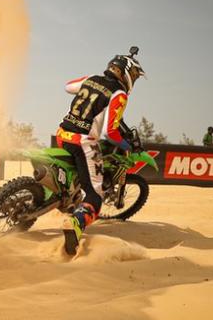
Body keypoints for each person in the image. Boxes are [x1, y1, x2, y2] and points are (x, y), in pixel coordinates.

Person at [56, 47, 146, 256]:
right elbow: (111, 132)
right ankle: (77, 222)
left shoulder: (91, 79)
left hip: (62, 134)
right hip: (84, 142)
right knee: (95, 194)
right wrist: (127, 145)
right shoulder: (119, 93)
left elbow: (68, 87)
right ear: (126, 72)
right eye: (134, 75)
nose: (133, 79)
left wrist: (89, 85)